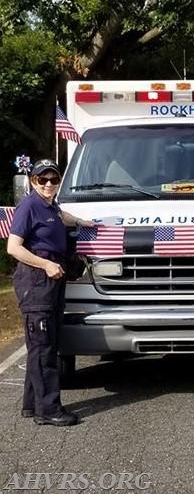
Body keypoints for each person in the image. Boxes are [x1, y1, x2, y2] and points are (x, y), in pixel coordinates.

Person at [7, 159, 94, 427]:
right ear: (33, 181)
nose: (48, 184)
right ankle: (49, 410)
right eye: (42, 179)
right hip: (37, 282)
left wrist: (81, 221)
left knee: (42, 346)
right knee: (44, 347)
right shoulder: (29, 206)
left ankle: (32, 404)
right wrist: (45, 264)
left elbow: (61, 217)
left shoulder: (51, 206)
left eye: (53, 180)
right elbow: (13, 247)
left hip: (52, 279)